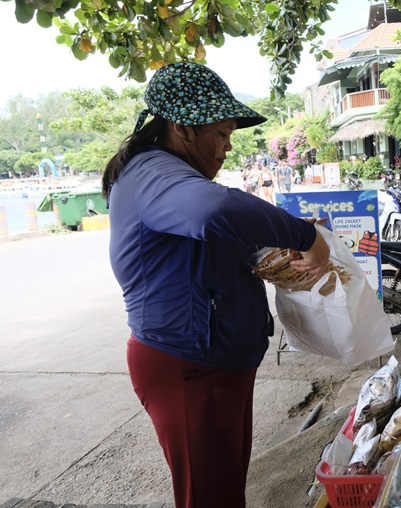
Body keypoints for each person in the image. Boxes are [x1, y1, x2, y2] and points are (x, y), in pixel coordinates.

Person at [100, 62, 330, 508]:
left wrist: (263, 251)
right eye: (221, 134)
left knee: (224, 492)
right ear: (183, 128)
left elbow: (202, 247)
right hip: (187, 366)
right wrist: (305, 237)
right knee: (210, 499)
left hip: (216, 361)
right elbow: (210, 211)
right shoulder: (152, 174)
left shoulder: (169, 175)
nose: (227, 148)